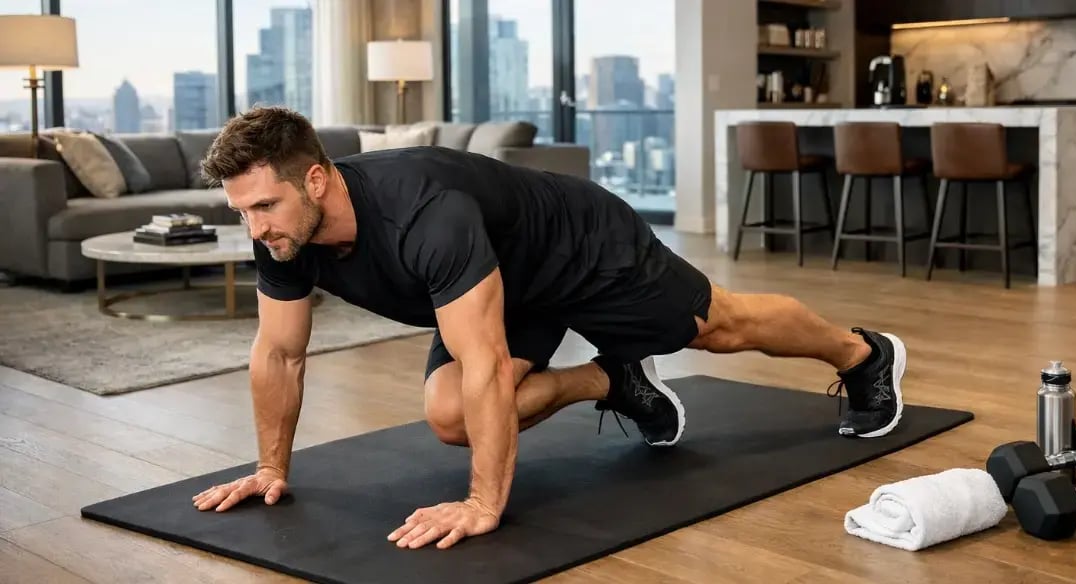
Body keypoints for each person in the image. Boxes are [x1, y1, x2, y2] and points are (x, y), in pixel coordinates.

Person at [189, 106, 907, 551]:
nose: (256, 228)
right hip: (498, 275)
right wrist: (271, 470)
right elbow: (279, 353)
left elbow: (485, 362)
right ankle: (610, 379)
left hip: (578, 246)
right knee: (450, 417)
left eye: (265, 206)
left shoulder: (424, 214)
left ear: (316, 180)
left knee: (717, 326)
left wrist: (483, 504)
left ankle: (863, 354)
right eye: (241, 211)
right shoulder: (282, 236)